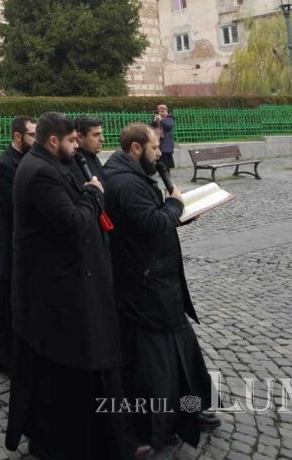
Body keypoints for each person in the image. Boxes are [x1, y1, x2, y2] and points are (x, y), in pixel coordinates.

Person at [5, 113, 133, 459]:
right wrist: (93, 194)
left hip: (61, 285)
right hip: (54, 291)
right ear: (53, 141)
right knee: (59, 375)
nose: (77, 147)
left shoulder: (50, 163)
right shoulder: (40, 172)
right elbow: (74, 222)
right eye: (73, 141)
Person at [104, 122, 219, 451]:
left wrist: (176, 215)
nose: (159, 154)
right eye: (155, 148)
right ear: (136, 148)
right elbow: (153, 223)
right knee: (158, 368)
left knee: (182, 357)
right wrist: (176, 205)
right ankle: (162, 424)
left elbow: (147, 223)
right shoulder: (125, 183)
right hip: (147, 287)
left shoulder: (131, 176)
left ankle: (192, 409)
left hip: (158, 283)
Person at [0, 115, 34, 374]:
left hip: (24, 246)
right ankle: (0, 357)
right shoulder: (4, 165)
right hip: (10, 247)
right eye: (31, 135)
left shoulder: (26, 159)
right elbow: (14, 210)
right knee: (6, 305)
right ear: (17, 136)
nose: (36, 140)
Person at [75, 116, 107, 183]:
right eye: (96, 135)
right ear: (80, 137)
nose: (102, 139)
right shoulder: (76, 163)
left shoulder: (92, 156)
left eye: (101, 134)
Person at [151, 104, 176, 168]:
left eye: (162, 111)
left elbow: (169, 127)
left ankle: (166, 171)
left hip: (166, 142)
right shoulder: (157, 118)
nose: (160, 113)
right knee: (159, 160)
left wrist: (161, 120)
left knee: (166, 160)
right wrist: (154, 121)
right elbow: (152, 128)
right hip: (158, 142)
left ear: (166, 110)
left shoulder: (170, 118)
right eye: (159, 111)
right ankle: (162, 171)